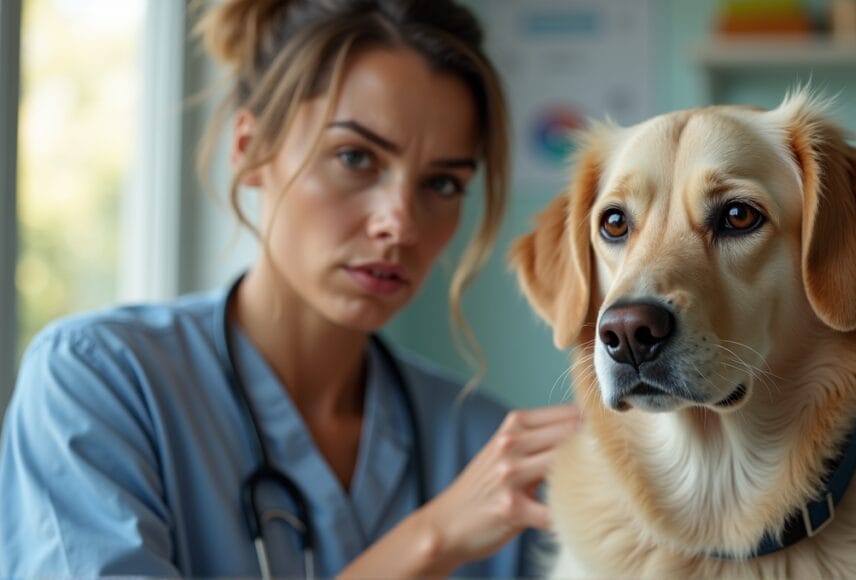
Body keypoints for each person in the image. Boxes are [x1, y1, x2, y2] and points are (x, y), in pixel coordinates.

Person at [0, 0, 580, 576]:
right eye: (356, 157)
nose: (400, 223)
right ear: (250, 149)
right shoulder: (96, 384)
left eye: (443, 184)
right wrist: (434, 536)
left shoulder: (485, 446)